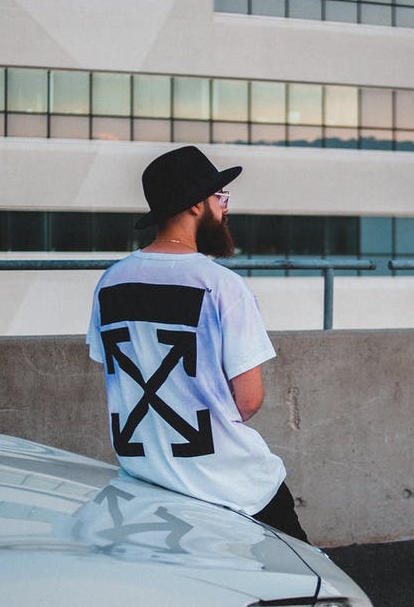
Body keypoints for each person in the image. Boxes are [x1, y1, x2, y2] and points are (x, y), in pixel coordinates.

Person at [85, 145, 307, 541]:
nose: (224, 209)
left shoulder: (111, 281)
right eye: (219, 199)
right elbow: (249, 399)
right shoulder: (223, 286)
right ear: (194, 206)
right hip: (235, 485)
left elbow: (120, 377)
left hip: (146, 479)